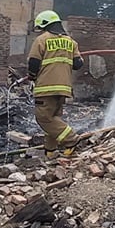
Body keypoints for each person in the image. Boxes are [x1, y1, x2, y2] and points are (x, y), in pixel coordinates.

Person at [26, 10, 83, 159]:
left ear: (45, 25)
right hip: (63, 88)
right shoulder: (71, 42)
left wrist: (31, 76)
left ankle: (71, 139)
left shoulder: (41, 40)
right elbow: (78, 64)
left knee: (44, 118)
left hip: (46, 87)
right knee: (53, 118)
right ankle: (50, 150)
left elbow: (33, 62)